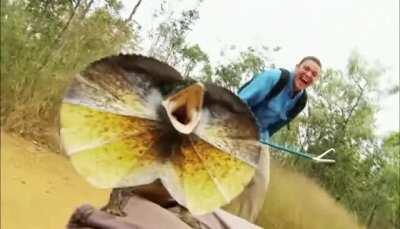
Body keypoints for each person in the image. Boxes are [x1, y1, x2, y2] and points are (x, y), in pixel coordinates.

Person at [238, 56, 322, 141]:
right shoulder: (274, 77)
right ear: (297, 67)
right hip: (237, 125)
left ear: (316, 80)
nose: (308, 74)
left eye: (314, 74)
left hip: (259, 137)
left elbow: (275, 127)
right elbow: (237, 103)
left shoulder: (301, 102)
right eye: (306, 68)